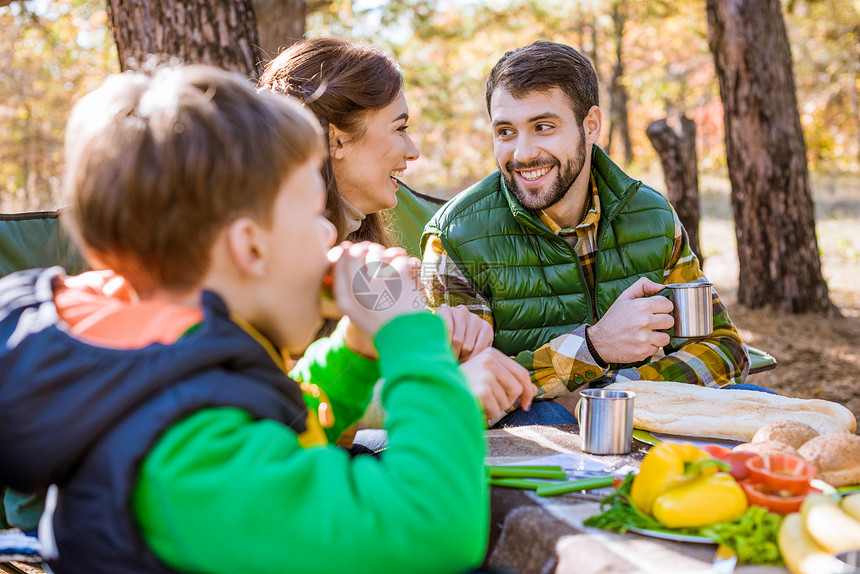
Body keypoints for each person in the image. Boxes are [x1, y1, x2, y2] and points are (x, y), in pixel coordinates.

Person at [0, 64, 489, 573]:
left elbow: (266, 426)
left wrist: (355, 351)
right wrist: (408, 331)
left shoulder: (160, 381)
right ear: (250, 247)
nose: (329, 236)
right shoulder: (190, 463)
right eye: (313, 213)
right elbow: (435, 526)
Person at [421, 41, 751, 422]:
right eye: (506, 131)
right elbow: (458, 392)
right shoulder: (456, 236)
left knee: (756, 398)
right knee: (549, 418)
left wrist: (621, 392)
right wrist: (594, 346)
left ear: (590, 125)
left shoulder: (651, 216)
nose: (522, 153)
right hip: (526, 434)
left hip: (637, 416)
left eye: (543, 127)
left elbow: (723, 348)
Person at [259, 37, 548, 428]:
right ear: (337, 139)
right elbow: (285, 414)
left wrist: (433, 333)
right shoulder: (269, 256)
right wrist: (444, 387)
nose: (412, 151)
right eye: (400, 128)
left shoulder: (360, 239)